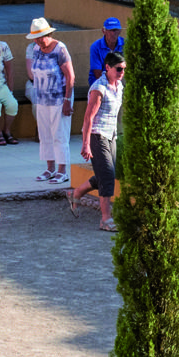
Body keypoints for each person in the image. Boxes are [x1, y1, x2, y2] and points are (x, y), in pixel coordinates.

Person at [78, 51, 125, 231]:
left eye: (123, 69)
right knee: (106, 177)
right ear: (107, 67)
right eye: (118, 69)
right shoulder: (99, 88)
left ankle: (76, 193)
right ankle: (105, 219)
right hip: (96, 135)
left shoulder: (119, 86)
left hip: (110, 135)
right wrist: (86, 143)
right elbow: (88, 118)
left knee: (107, 174)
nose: (122, 72)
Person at [25, 18, 75, 184]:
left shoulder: (60, 49)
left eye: (42, 36)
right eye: (36, 37)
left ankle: (62, 170)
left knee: (59, 134)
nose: (39, 40)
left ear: (49, 34)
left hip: (59, 99)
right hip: (42, 99)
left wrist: (67, 100)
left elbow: (70, 76)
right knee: (45, 134)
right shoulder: (35, 49)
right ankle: (50, 168)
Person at [88, 17, 124, 89]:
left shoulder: (125, 44)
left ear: (120, 31)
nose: (113, 33)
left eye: (116, 30)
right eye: (110, 30)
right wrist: (110, 87)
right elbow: (97, 72)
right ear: (104, 31)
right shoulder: (95, 46)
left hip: (118, 82)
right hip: (98, 82)